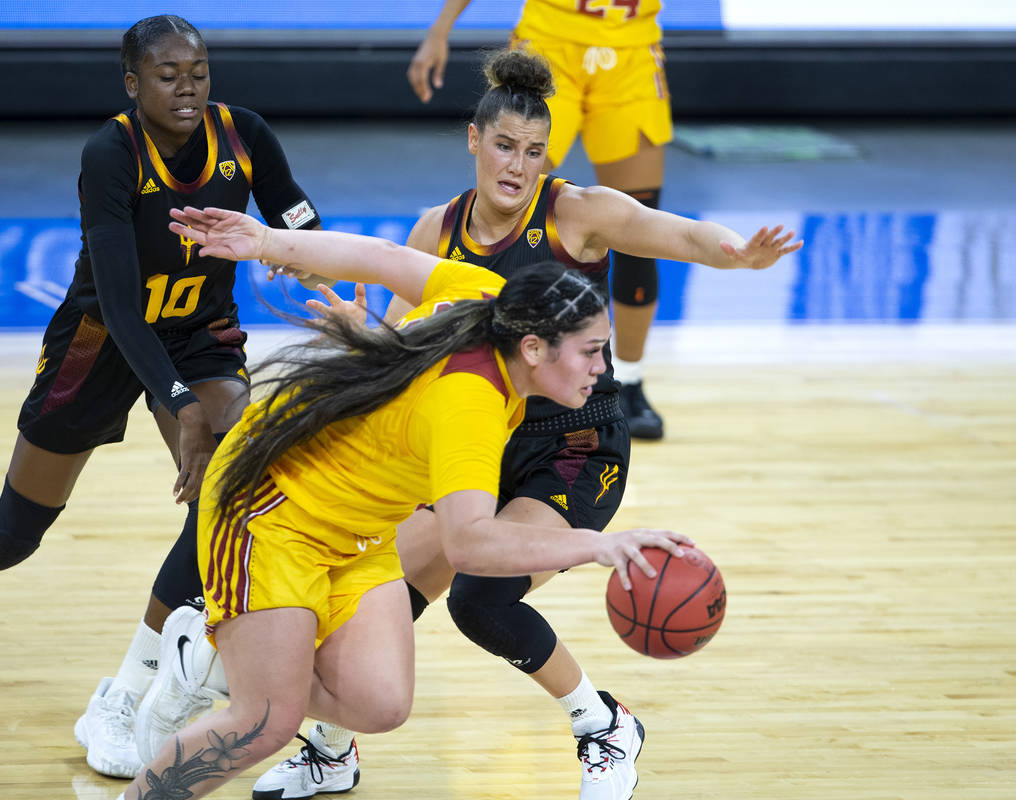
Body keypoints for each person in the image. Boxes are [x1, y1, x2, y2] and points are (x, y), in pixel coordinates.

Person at [249, 49, 801, 800]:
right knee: (384, 588)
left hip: (572, 443)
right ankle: (331, 747)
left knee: (482, 596)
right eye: (505, 146)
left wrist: (738, 257)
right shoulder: (433, 230)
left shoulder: (575, 214)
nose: (518, 166)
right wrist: (362, 329)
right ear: (473, 141)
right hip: (477, 438)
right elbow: (404, 342)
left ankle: (602, 725)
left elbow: (672, 234)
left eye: (535, 152)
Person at [114, 201, 695, 800]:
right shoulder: (469, 406)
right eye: (591, 352)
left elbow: (382, 257)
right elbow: (468, 542)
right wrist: (600, 545)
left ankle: (213, 664)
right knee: (264, 721)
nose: (603, 372)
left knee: (380, 702)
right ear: (533, 349)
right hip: (272, 511)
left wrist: (265, 241)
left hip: (358, 527)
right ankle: (223, 698)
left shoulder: (490, 299)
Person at [0, 13, 326, 781]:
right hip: (102, 339)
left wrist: (305, 246)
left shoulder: (245, 133)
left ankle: (130, 691)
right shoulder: (111, 153)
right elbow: (125, 308)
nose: (187, 86)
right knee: (16, 529)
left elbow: (292, 209)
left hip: (202, 331)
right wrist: (182, 410)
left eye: (197, 71)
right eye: (168, 75)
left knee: (230, 492)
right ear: (133, 85)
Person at [409, 0, 675, 440]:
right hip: (552, 40)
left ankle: (630, 379)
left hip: (631, 46)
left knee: (637, 229)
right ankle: (481, 361)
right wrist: (440, 29)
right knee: (509, 204)